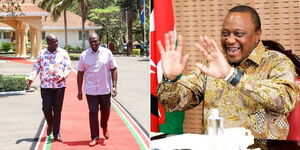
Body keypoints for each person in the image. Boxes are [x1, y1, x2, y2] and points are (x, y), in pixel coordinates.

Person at [156, 5, 299, 140]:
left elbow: (285, 101)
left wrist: (232, 75)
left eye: (238, 34)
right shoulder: (213, 63)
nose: (230, 40)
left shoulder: (277, 62)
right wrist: (170, 79)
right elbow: (172, 104)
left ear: (257, 35)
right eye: (225, 33)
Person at [77, 33, 118, 147]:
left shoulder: (107, 53)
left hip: (105, 89)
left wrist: (114, 86)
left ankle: (104, 126)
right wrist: (79, 90)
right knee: (93, 113)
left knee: (106, 111)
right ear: (89, 42)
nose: (93, 43)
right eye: (91, 41)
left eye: (95, 41)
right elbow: (80, 73)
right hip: (90, 90)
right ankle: (94, 137)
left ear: (99, 41)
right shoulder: (84, 55)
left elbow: (114, 69)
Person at [28, 34, 71, 142]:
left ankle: (56, 133)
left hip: (59, 86)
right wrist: (31, 78)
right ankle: (50, 123)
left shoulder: (63, 53)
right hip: (46, 86)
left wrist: (64, 75)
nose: (56, 43)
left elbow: (68, 67)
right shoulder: (42, 54)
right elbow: (36, 67)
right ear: (47, 43)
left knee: (57, 111)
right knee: (46, 108)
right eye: (53, 42)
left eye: (56, 41)